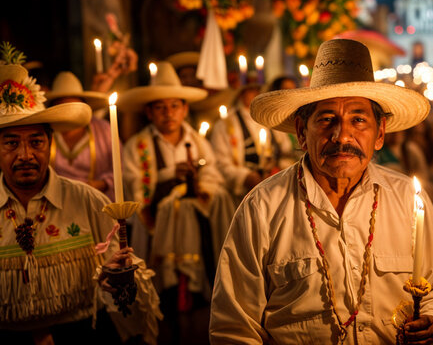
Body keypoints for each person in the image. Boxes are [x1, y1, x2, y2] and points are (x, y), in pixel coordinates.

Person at [210, 39, 433, 344]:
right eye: (327, 119)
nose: (342, 135)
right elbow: (233, 327)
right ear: (302, 132)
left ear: (380, 133)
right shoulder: (262, 207)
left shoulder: (409, 199)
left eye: (358, 120)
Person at [0, 52, 160, 344]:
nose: (25, 155)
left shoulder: (87, 200)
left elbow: (123, 279)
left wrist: (116, 278)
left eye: (36, 142)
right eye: (11, 143)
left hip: (81, 333)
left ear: (50, 142)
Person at [120, 62, 234, 343]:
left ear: (184, 109)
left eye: (174, 106)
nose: (168, 114)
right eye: (160, 107)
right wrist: (170, 178)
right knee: (163, 296)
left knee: (196, 296)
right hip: (158, 234)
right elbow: (135, 190)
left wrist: (200, 185)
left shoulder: (198, 141)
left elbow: (214, 178)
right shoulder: (137, 146)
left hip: (196, 233)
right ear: (149, 112)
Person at [45, 71, 115, 199]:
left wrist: (102, 184)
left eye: (73, 107)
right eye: (62, 108)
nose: (68, 113)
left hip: (97, 200)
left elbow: (120, 169)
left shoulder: (102, 129)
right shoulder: (45, 134)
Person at [209, 83, 281, 201]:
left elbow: (283, 151)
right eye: (250, 90)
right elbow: (220, 162)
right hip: (239, 195)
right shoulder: (225, 124)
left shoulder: (269, 119)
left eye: (257, 89)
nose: (255, 94)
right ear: (240, 94)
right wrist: (245, 177)